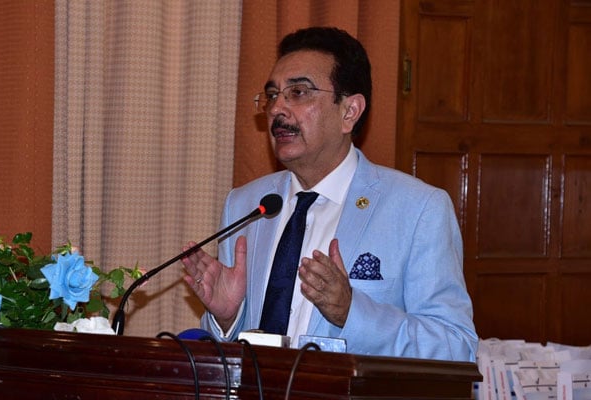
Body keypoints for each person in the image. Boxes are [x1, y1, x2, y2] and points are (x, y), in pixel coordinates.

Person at [181, 26, 477, 362]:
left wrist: (352, 313)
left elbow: (456, 347)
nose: (278, 109)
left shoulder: (418, 209)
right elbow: (231, 351)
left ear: (349, 111)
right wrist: (226, 317)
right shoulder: (246, 205)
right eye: (273, 95)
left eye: (299, 92)